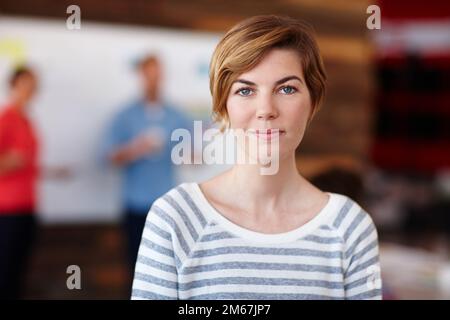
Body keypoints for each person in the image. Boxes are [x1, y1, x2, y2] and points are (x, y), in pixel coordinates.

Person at [132, 15, 382, 300]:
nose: (266, 110)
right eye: (245, 90)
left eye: (287, 89)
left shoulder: (350, 228)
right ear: (223, 107)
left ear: (312, 102)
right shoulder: (174, 218)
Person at [101, 55, 193, 274]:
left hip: (168, 206)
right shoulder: (125, 116)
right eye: (148, 74)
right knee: (137, 269)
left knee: (169, 270)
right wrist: (137, 148)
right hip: (136, 205)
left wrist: (192, 155)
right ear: (141, 76)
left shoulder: (176, 115)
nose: (153, 80)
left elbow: (190, 154)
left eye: (157, 74)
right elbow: (109, 158)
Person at [0, 66, 39, 299]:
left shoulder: (27, 121)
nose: (31, 89)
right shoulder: (7, 118)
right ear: (14, 86)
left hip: (28, 206)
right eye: (26, 83)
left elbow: (27, 162)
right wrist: (9, 161)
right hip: (7, 210)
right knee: (5, 273)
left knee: (18, 273)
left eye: (33, 84)